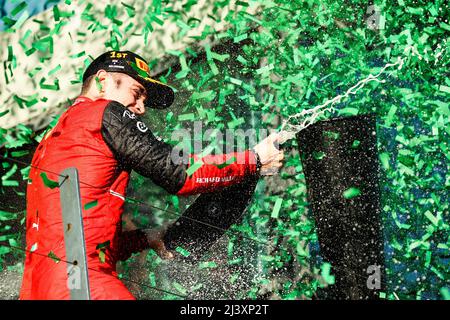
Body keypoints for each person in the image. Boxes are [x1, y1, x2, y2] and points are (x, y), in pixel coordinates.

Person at [19, 50, 284, 300]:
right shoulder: (103, 112)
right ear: (102, 82)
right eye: (136, 93)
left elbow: (71, 235)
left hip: (38, 289)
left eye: (144, 100)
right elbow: (178, 174)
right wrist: (254, 159)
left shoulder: (53, 140)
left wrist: (143, 239)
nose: (140, 107)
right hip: (82, 286)